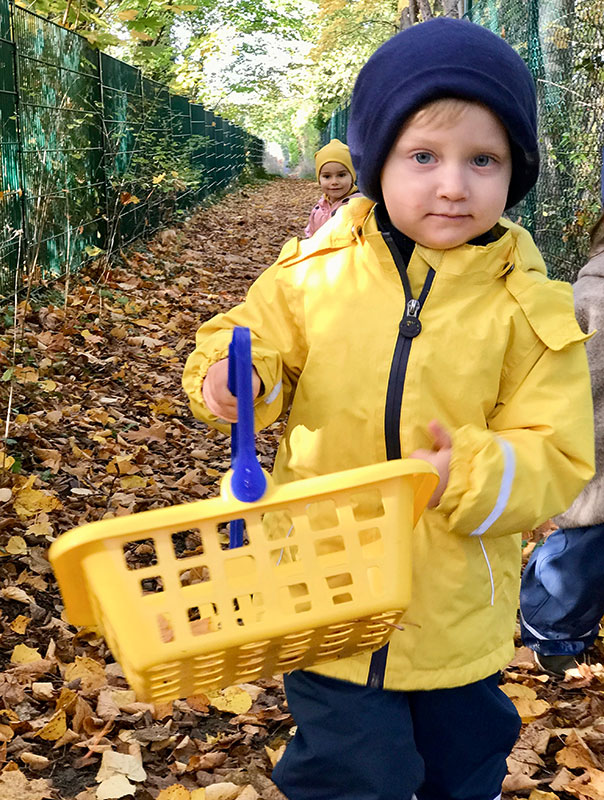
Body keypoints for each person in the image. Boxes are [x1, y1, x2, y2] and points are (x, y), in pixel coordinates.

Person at [183, 18, 594, 800]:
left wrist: (468, 470)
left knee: (462, 767)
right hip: (322, 594)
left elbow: (557, 453)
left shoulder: (529, 309)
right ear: (376, 163)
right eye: (424, 157)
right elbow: (249, 341)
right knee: (351, 772)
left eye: (484, 160)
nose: (452, 184)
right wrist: (236, 380)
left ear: (516, 171)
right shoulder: (313, 274)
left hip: (452, 615)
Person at [520, 212, 604, 677]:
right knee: (576, 559)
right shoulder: (589, 297)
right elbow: (569, 375)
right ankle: (551, 633)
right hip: (594, 446)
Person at [304, 138, 360, 237]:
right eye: (327, 176)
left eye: (341, 175)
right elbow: (310, 235)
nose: (334, 182)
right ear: (319, 179)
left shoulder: (359, 206)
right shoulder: (319, 208)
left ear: (352, 176)